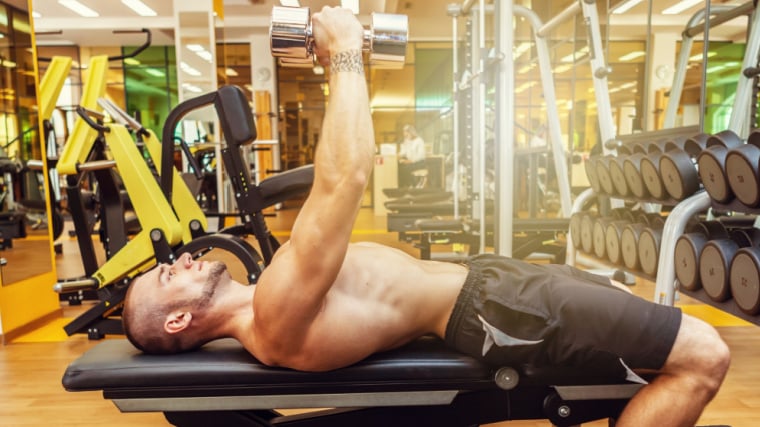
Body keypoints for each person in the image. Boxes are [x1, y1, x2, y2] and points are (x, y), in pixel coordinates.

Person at [121, 7, 730, 427]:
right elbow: (347, 176)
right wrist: (345, 57)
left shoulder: (270, 300)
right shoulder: (275, 310)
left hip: (496, 289)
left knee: (645, 363)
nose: (177, 260)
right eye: (166, 276)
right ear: (178, 319)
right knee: (704, 355)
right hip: (501, 309)